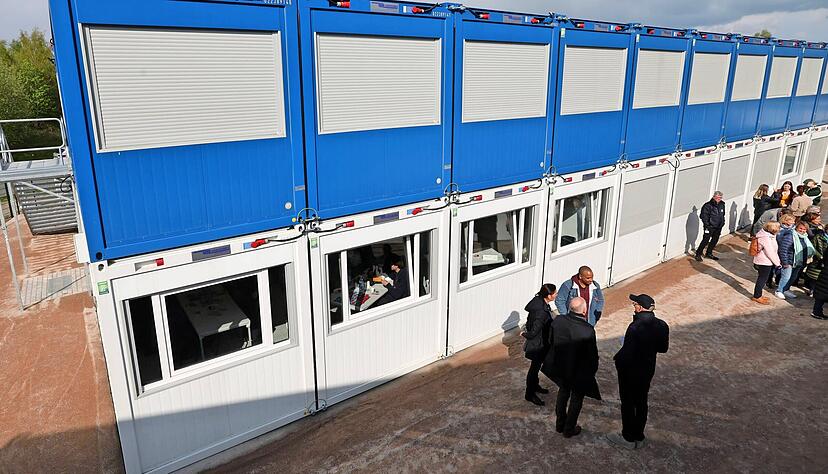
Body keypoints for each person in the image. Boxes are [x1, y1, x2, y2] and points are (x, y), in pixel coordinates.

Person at [606, 294, 669, 450]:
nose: (633, 307)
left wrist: (618, 363)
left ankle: (628, 438)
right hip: (647, 368)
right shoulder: (662, 325)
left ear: (640, 307)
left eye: (634, 304)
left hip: (630, 371)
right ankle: (639, 436)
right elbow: (663, 348)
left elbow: (627, 353)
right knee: (641, 402)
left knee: (627, 403)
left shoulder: (635, 327)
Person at [541, 297, 600, 438]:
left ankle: (560, 424)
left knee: (563, 393)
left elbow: (551, 340)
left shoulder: (559, 321)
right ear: (585, 310)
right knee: (576, 399)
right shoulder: (587, 330)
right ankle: (569, 428)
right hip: (578, 371)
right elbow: (592, 356)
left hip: (561, 367)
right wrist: (591, 372)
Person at [521, 283, 557, 406]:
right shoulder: (541, 312)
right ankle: (529, 394)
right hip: (538, 344)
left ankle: (535, 386)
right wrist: (524, 334)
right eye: (554, 293)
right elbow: (533, 332)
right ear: (549, 295)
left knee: (535, 368)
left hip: (539, 341)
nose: (556, 295)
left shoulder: (538, 301)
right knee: (534, 369)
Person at [776, 218, 814, 299]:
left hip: (799, 261)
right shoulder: (790, 236)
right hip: (789, 261)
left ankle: (786, 290)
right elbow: (783, 249)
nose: (802, 230)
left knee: (793, 277)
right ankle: (779, 290)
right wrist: (785, 262)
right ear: (796, 227)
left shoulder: (805, 237)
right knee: (786, 277)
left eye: (804, 229)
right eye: (800, 228)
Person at [752, 221, 782, 305]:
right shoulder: (766, 238)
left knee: (762, 278)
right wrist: (777, 263)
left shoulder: (769, 236)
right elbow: (770, 252)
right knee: (762, 279)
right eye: (778, 228)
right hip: (764, 262)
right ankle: (757, 296)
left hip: (765, 261)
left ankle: (758, 295)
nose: (779, 229)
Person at [695, 191, 726, 261]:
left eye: (720, 197)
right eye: (718, 197)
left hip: (718, 227)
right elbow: (703, 216)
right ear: (714, 197)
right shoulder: (708, 205)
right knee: (705, 240)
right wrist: (707, 225)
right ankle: (698, 253)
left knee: (715, 240)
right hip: (709, 227)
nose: (719, 199)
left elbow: (722, 215)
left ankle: (709, 253)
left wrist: (722, 222)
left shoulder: (722, 204)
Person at [804, 217, 827, 297]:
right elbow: (813, 248)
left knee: (822, 278)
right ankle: (812, 290)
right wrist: (820, 256)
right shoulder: (818, 236)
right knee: (814, 276)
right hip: (818, 260)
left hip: (826, 261)